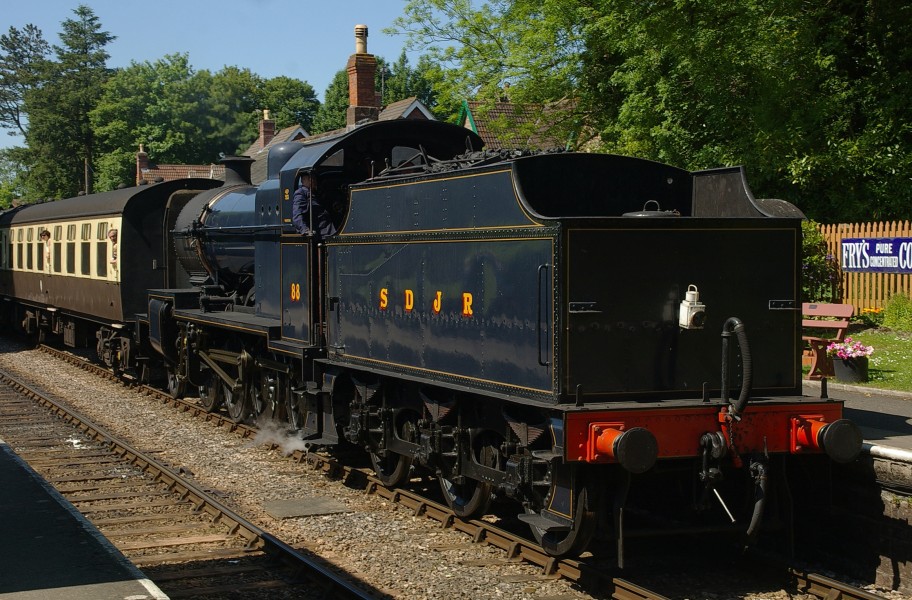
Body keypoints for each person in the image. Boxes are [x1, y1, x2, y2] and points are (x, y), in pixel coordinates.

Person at [292, 172, 337, 239]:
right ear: (303, 180)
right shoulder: (301, 193)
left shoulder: (316, 193)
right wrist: (305, 230)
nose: (314, 180)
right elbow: (297, 214)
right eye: (311, 178)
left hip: (328, 229)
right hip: (320, 232)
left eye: (314, 178)